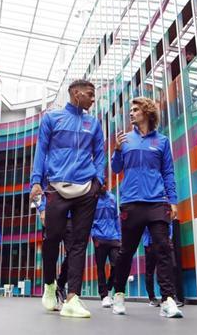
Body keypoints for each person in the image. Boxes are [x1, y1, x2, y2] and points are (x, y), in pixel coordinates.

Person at [30, 78, 105, 318]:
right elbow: (41, 150)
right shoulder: (52, 118)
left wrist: (99, 181)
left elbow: (100, 154)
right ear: (75, 93)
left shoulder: (93, 123)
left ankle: (72, 297)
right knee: (51, 239)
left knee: (79, 244)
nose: (93, 98)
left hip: (86, 190)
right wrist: (35, 182)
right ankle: (50, 284)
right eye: (90, 93)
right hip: (55, 187)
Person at [110, 97, 182, 319]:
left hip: (157, 202)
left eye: (135, 110)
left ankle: (168, 299)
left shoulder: (161, 141)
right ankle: (119, 294)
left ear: (147, 112)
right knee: (126, 252)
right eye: (130, 110)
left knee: (163, 249)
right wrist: (117, 149)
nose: (131, 113)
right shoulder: (126, 139)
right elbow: (116, 168)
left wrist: (173, 200)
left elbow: (168, 172)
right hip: (131, 202)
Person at [34, 193, 71, 307]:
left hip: (70, 216)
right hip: (51, 215)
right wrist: (42, 209)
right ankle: (50, 286)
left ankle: (60, 283)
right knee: (50, 254)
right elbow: (35, 190)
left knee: (74, 253)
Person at [91, 185, 120, 307]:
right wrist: (94, 237)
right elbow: (89, 220)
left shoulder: (112, 198)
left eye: (104, 183)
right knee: (100, 268)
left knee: (117, 264)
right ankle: (104, 296)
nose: (102, 185)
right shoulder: (93, 200)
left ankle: (109, 287)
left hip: (113, 237)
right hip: (99, 238)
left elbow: (116, 217)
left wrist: (120, 236)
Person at [142, 224, 182, 307]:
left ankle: (171, 296)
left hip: (164, 242)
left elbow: (169, 223)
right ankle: (152, 297)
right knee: (150, 271)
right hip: (150, 243)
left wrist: (169, 238)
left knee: (170, 268)